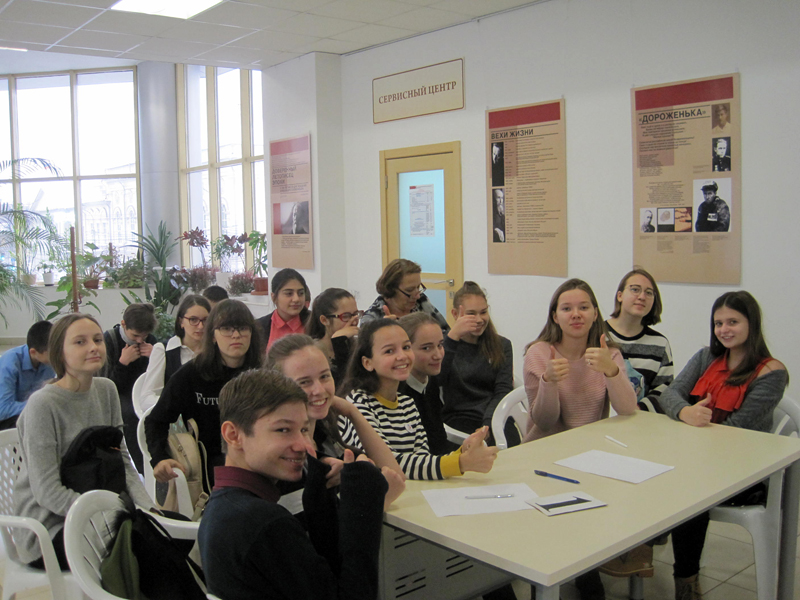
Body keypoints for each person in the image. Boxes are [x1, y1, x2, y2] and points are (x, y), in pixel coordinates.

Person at [198, 369, 389, 600]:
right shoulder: (264, 522)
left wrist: (320, 505)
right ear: (233, 434)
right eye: (283, 430)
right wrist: (363, 509)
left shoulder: (224, 505)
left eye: (304, 429)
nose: (302, 445)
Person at [659, 291, 788, 600]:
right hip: (696, 460)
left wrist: (695, 430)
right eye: (718, 323)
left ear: (751, 324)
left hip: (743, 471)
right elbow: (669, 394)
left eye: (733, 322)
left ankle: (685, 583)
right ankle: (635, 555)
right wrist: (686, 412)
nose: (724, 330)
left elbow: (737, 430)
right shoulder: (705, 358)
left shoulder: (772, 372)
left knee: (686, 491)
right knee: (656, 477)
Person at [523, 279, 637, 600]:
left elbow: (628, 409)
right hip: (543, 457)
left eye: (583, 307)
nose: (576, 314)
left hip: (590, 458)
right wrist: (548, 381)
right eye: (567, 308)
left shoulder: (608, 353)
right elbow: (544, 421)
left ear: (595, 313)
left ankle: (588, 568)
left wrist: (611, 371)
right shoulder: (539, 353)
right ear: (555, 316)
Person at [12, 314, 153, 569]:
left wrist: (149, 510)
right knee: (141, 551)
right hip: (49, 528)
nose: (93, 347)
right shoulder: (42, 405)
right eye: (80, 342)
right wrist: (109, 515)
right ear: (59, 352)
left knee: (166, 532)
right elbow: (47, 492)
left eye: (97, 339)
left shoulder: (106, 390)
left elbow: (123, 462)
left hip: (100, 513)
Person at [339, 318, 498, 480]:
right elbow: (387, 464)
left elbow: (422, 460)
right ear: (367, 363)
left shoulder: (407, 403)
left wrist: (463, 452)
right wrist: (460, 462)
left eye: (406, 347)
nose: (402, 356)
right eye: (389, 351)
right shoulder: (358, 402)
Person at [267, 335, 405, 503]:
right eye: (304, 382)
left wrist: (353, 413)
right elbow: (305, 518)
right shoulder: (284, 454)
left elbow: (395, 476)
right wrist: (379, 503)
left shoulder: (325, 436)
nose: (319, 390)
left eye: (324, 376)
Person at [145, 299, 264, 487]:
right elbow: (156, 421)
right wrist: (160, 458)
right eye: (226, 329)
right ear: (213, 336)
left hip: (261, 458)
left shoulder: (263, 374)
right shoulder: (191, 374)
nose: (236, 335)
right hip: (211, 466)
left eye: (242, 328)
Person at [439, 282, 516, 446]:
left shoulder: (502, 345)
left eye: (483, 312)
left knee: (511, 444)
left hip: (495, 415)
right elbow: (437, 379)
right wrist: (453, 337)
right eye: (471, 314)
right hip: (459, 417)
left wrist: (489, 423)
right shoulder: (445, 345)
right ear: (455, 314)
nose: (479, 319)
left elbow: (503, 390)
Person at [605, 268, 674, 413]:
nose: (642, 297)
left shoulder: (660, 344)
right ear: (620, 296)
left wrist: (634, 410)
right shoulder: (597, 334)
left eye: (649, 293)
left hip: (640, 420)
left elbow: (664, 389)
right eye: (635, 289)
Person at [100, 302, 158, 473]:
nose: (140, 341)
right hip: (121, 395)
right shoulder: (109, 341)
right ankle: (142, 469)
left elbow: (158, 378)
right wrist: (122, 363)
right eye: (135, 336)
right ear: (123, 324)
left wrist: (156, 357)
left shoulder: (151, 342)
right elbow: (106, 386)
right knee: (130, 415)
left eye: (144, 336)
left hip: (144, 393)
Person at [139, 294, 211, 413]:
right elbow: (146, 398)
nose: (200, 326)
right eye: (193, 320)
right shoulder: (163, 350)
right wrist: (175, 404)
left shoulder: (216, 350)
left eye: (205, 320)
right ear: (181, 321)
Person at [397, 312, 452, 454]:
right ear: (405, 350)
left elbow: (438, 442)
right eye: (426, 348)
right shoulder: (396, 392)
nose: (438, 355)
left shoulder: (429, 380)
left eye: (440, 345)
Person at [360, 258, 449, 332]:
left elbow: (445, 332)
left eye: (418, 287)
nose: (417, 296)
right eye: (409, 290)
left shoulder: (421, 302)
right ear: (390, 289)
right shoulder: (371, 319)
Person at [0, 320, 54, 430]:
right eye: (52, 353)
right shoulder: (10, 363)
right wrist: (38, 404)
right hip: (7, 419)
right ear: (33, 352)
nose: (58, 355)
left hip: (29, 412)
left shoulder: (47, 362)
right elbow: (3, 409)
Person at [305, 288, 361, 384]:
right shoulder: (314, 353)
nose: (354, 321)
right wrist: (339, 342)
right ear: (324, 320)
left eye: (356, 314)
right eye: (345, 316)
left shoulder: (357, 345)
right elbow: (342, 385)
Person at [255, 268, 310, 350]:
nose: (296, 299)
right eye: (289, 293)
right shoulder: (259, 327)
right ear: (274, 297)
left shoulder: (315, 323)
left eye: (300, 293)